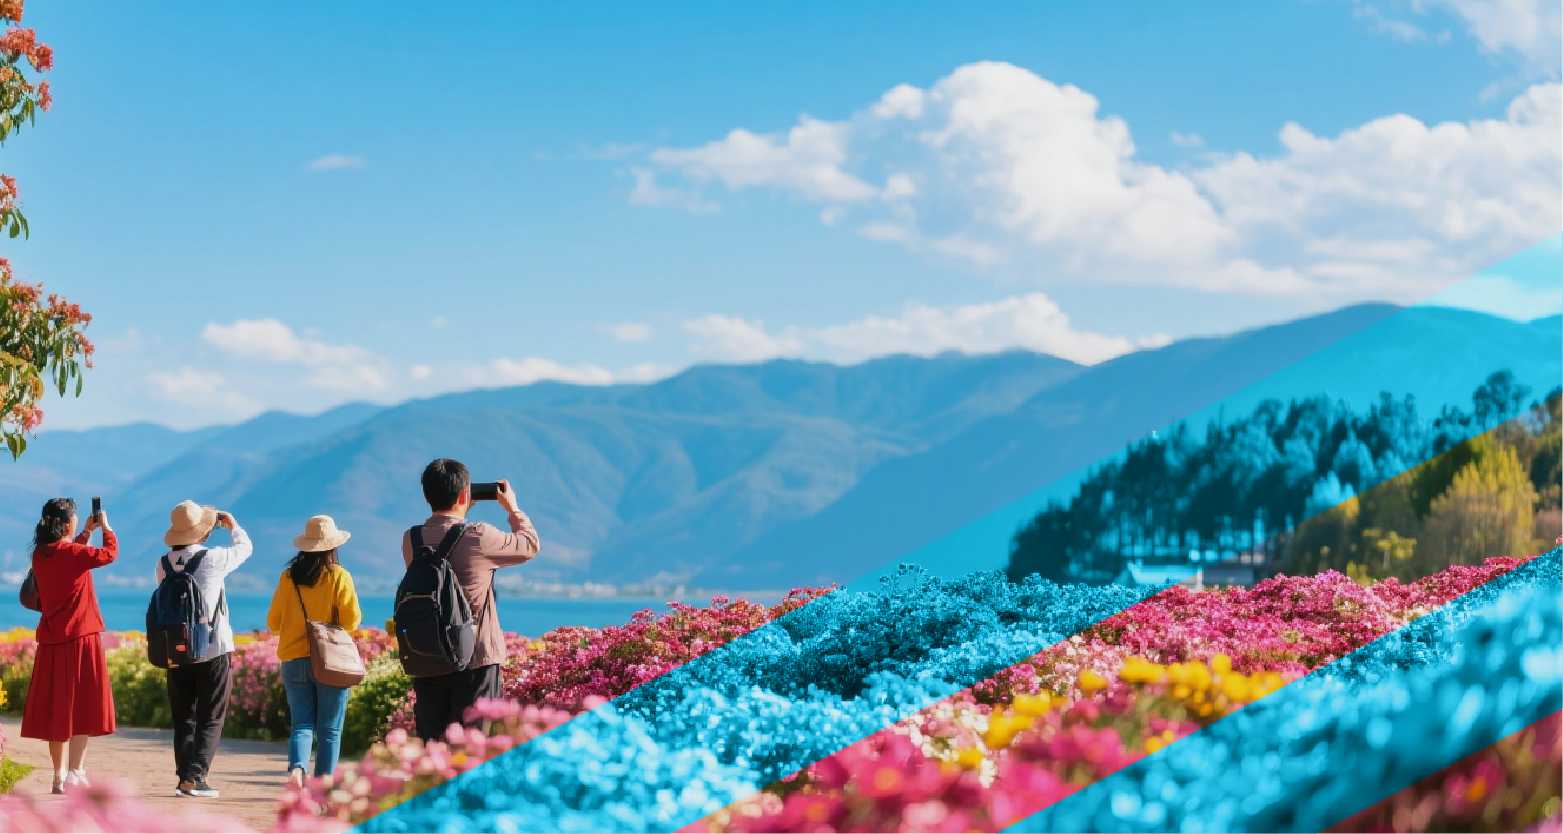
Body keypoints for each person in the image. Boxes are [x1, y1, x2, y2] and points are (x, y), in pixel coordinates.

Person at [404, 459, 539, 742]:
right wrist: (512, 508)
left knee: (434, 748)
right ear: (465, 494)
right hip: (476, 658)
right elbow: (529, 545)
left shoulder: (412, 539)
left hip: (427, 655)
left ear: (426, 497)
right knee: (473, 747)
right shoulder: (479, 535)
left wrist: (459, 508)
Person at [20, 498, 118, 795]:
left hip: (52, 642)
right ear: (66, 523)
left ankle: (58, 775)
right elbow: (110, 554)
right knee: (82, 707)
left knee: (58, 709)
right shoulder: (75, 554)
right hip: (82, 639)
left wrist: (85, 534)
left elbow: (66, 559)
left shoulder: (40, 555)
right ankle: (76, 772)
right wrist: (106, 528)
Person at [157, 500, 252, 799]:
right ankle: (196, 777)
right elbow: (245, 548)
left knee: (183, 716)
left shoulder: (163, 564)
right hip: (213, 647)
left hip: (176, 648)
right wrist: (233, 525)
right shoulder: (213, 558)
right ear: (202, 531)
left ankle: (184, 777)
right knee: (211, 715)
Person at [266, 515, 362, 788]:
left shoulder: (288, 578)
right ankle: (322, 787)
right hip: (330, 661)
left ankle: (298, 768)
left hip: (294, 659)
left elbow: (273, 622)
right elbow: (351, 621)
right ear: (333, 546)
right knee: (329, 729)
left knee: (302, 724)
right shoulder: (339, 576)